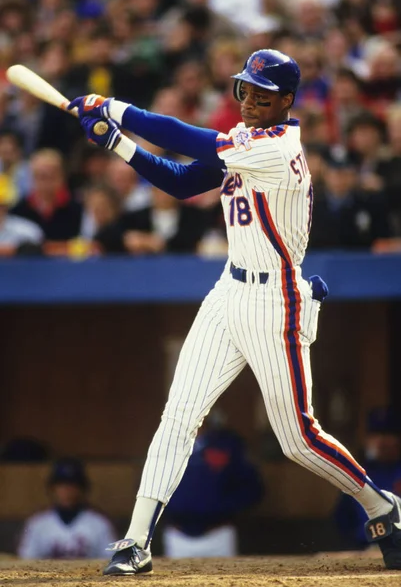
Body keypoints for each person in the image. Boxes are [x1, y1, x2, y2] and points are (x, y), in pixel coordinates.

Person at [69, 48, 401, 576]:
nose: (248, 100)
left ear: (286, 102)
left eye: (261, 94)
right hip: (229, 291)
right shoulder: (246, 141)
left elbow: (183, 136)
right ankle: (135, 541)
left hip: (277, 302)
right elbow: (181, 181)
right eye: (243, 89)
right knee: (178, 415)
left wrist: (115, 108)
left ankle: (381, 506)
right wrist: (117, 142)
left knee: (298, 439)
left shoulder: (280, 148)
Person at [162, 411, 264, 558]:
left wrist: (222, 508)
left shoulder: (228, 444)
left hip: (219, 534)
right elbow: (148, 487)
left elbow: (252, 487)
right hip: (177, 534)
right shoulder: (165, 445)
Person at [18, 457, 116, 559]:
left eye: (73, 484)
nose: (67, 490)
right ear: (52, 488)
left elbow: (110, 561)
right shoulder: (37, 524)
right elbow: (26, 561)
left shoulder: (99, 524)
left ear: (82, 488)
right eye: (61, 485)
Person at [335, 408, 401, 550]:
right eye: (375, 435)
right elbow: (342, 520)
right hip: (364, 549)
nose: (382, 441)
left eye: (388, 435)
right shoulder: (357, 473)